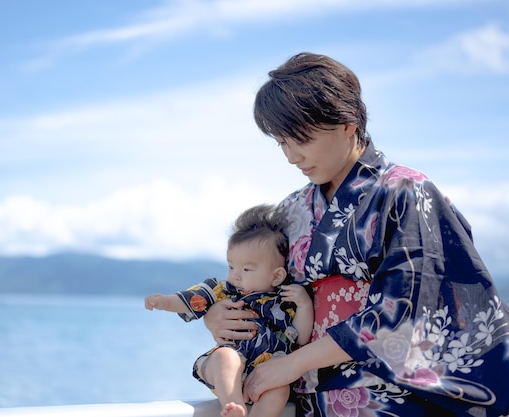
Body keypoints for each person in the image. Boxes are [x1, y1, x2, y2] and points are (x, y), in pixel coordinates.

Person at [202, 52, 509, 417]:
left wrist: (294, 363)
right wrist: (219, 315)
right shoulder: (290, 211)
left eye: (301, 138)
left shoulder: (406, 192)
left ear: (347, 122)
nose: (291, 156)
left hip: (395, 399)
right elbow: (258, 285)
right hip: (310, 398)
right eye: (282, 142)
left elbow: (402, 313)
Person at [145, 204, 314, 417]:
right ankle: (234, 407)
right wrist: (166, 301)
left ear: (277, 276)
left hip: (268, 375)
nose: (235, 275)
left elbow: (300, 336)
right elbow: (194, 298)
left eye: (246, 269)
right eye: (231, 266)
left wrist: (304, 305)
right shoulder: (224, 290)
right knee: (226, 357)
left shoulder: (285, 301)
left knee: (279, 391)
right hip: (227, 367)